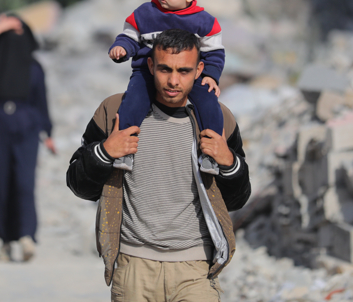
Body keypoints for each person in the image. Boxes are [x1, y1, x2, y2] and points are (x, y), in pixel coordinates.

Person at [67, 29, 250, 301]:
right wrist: (105, 152)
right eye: (165, 69)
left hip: (196, 270)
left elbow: (236, 200)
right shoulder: (117, 111)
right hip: (133, 268)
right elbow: (79, 185)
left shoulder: (216, 118)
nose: (173, 81)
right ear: (151, 65)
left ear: (199, 70)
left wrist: (229, 163)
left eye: (184, 71)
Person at [108, 0, 225, 174]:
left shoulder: (204, 22)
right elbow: (129, 36)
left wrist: (210, 75)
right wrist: (122, 48)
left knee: (209, 103)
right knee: (133, 101)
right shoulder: (145, 13)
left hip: (189, 77)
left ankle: (211, 154)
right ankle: (124, 150)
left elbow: (214, 52)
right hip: (146, 71)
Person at [0, 14, 56, 262]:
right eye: (10, 32)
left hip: (27, 126)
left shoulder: (34, 67)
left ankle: (26, 236)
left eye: (19, 31)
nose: (14, 37)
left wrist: (48, 132)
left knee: (24, 183)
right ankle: (5, 240)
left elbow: (42, 101)